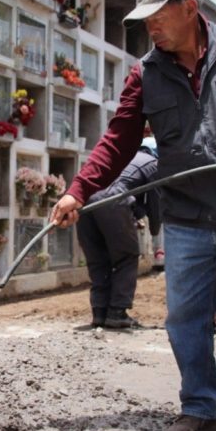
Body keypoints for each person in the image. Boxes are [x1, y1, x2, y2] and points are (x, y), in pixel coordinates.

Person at [49, 0, 216, 431]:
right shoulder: (145, 73)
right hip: (188, 213)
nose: (150, 27)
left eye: (158, 15)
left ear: (190, 6)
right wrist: (77, 190)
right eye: (144, 18)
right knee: (185, 314)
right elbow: (117, 141)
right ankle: (201, 409)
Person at [76, 137, 160, 329]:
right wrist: (155, 230)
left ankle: (99, 312)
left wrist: (131, 217)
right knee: (127, 257)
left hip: (84, 202)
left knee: (98, 259)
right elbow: (155, 204)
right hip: (112, 200)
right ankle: (117, 312)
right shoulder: (153, 163)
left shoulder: (120, 158)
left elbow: (134, 197)